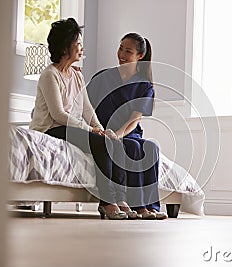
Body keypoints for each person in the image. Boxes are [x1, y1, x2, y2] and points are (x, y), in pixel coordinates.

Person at [29, 18, 138, 220]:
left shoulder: (77, 76)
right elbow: (58, 114)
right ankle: (106, 202)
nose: (82, 47)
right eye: (78, 44)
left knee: (114, 141)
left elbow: (87, 109)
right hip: (51, 128)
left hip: (70, 127)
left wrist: (100, 128)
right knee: (100, 143)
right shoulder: (49, 75)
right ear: (65, 47)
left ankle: (120, 199)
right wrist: (91, 131)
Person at [87, 33, 168, 219]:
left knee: (151, 147)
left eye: (128, 51)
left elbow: (134, 119)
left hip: (128, 132)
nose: (122, 54)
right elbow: (85, 106)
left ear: (139, 56)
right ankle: (138, 207)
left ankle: (151, 207)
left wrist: (119, 134)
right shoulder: (102, 77)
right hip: (104, 131)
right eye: (121, 48)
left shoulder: (144, 85)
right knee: (131, 147)